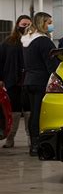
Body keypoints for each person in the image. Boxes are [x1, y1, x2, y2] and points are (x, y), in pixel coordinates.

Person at [21, 12, 59, 156]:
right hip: (41, 81)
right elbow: (51, 64)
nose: (50, 25)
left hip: (29, 80)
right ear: (42, 23)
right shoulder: (43, 41)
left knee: (33, 113)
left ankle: (33, 143)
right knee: (39, 114)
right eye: (48, 22)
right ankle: (37, 145)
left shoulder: (26, 39)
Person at [0, 15, 31, 148]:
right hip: (12, 80)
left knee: (30, 110)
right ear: (17, 24)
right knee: (15, 110)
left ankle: (31, 138)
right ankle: (10, 138)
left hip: (29, 81)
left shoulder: (33, 41)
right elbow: (1, 61)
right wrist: (1, 78)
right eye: (23, 24)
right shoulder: (8, 42)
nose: (25, 27)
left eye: (28, 24)